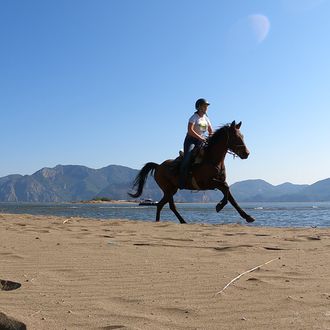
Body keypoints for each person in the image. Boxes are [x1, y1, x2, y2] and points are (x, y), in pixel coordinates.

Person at [179, 98, 213, 189]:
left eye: (206, 106)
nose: (206, 108)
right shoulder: (193, 117)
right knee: (187, 158)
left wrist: (212, 138)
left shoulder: (206, 119)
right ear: (199, 107)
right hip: (191, 140)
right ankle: (181, 180)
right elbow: (190, 131)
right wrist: (200, 138)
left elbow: (210, 131)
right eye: (204, 106)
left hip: (202, 140)